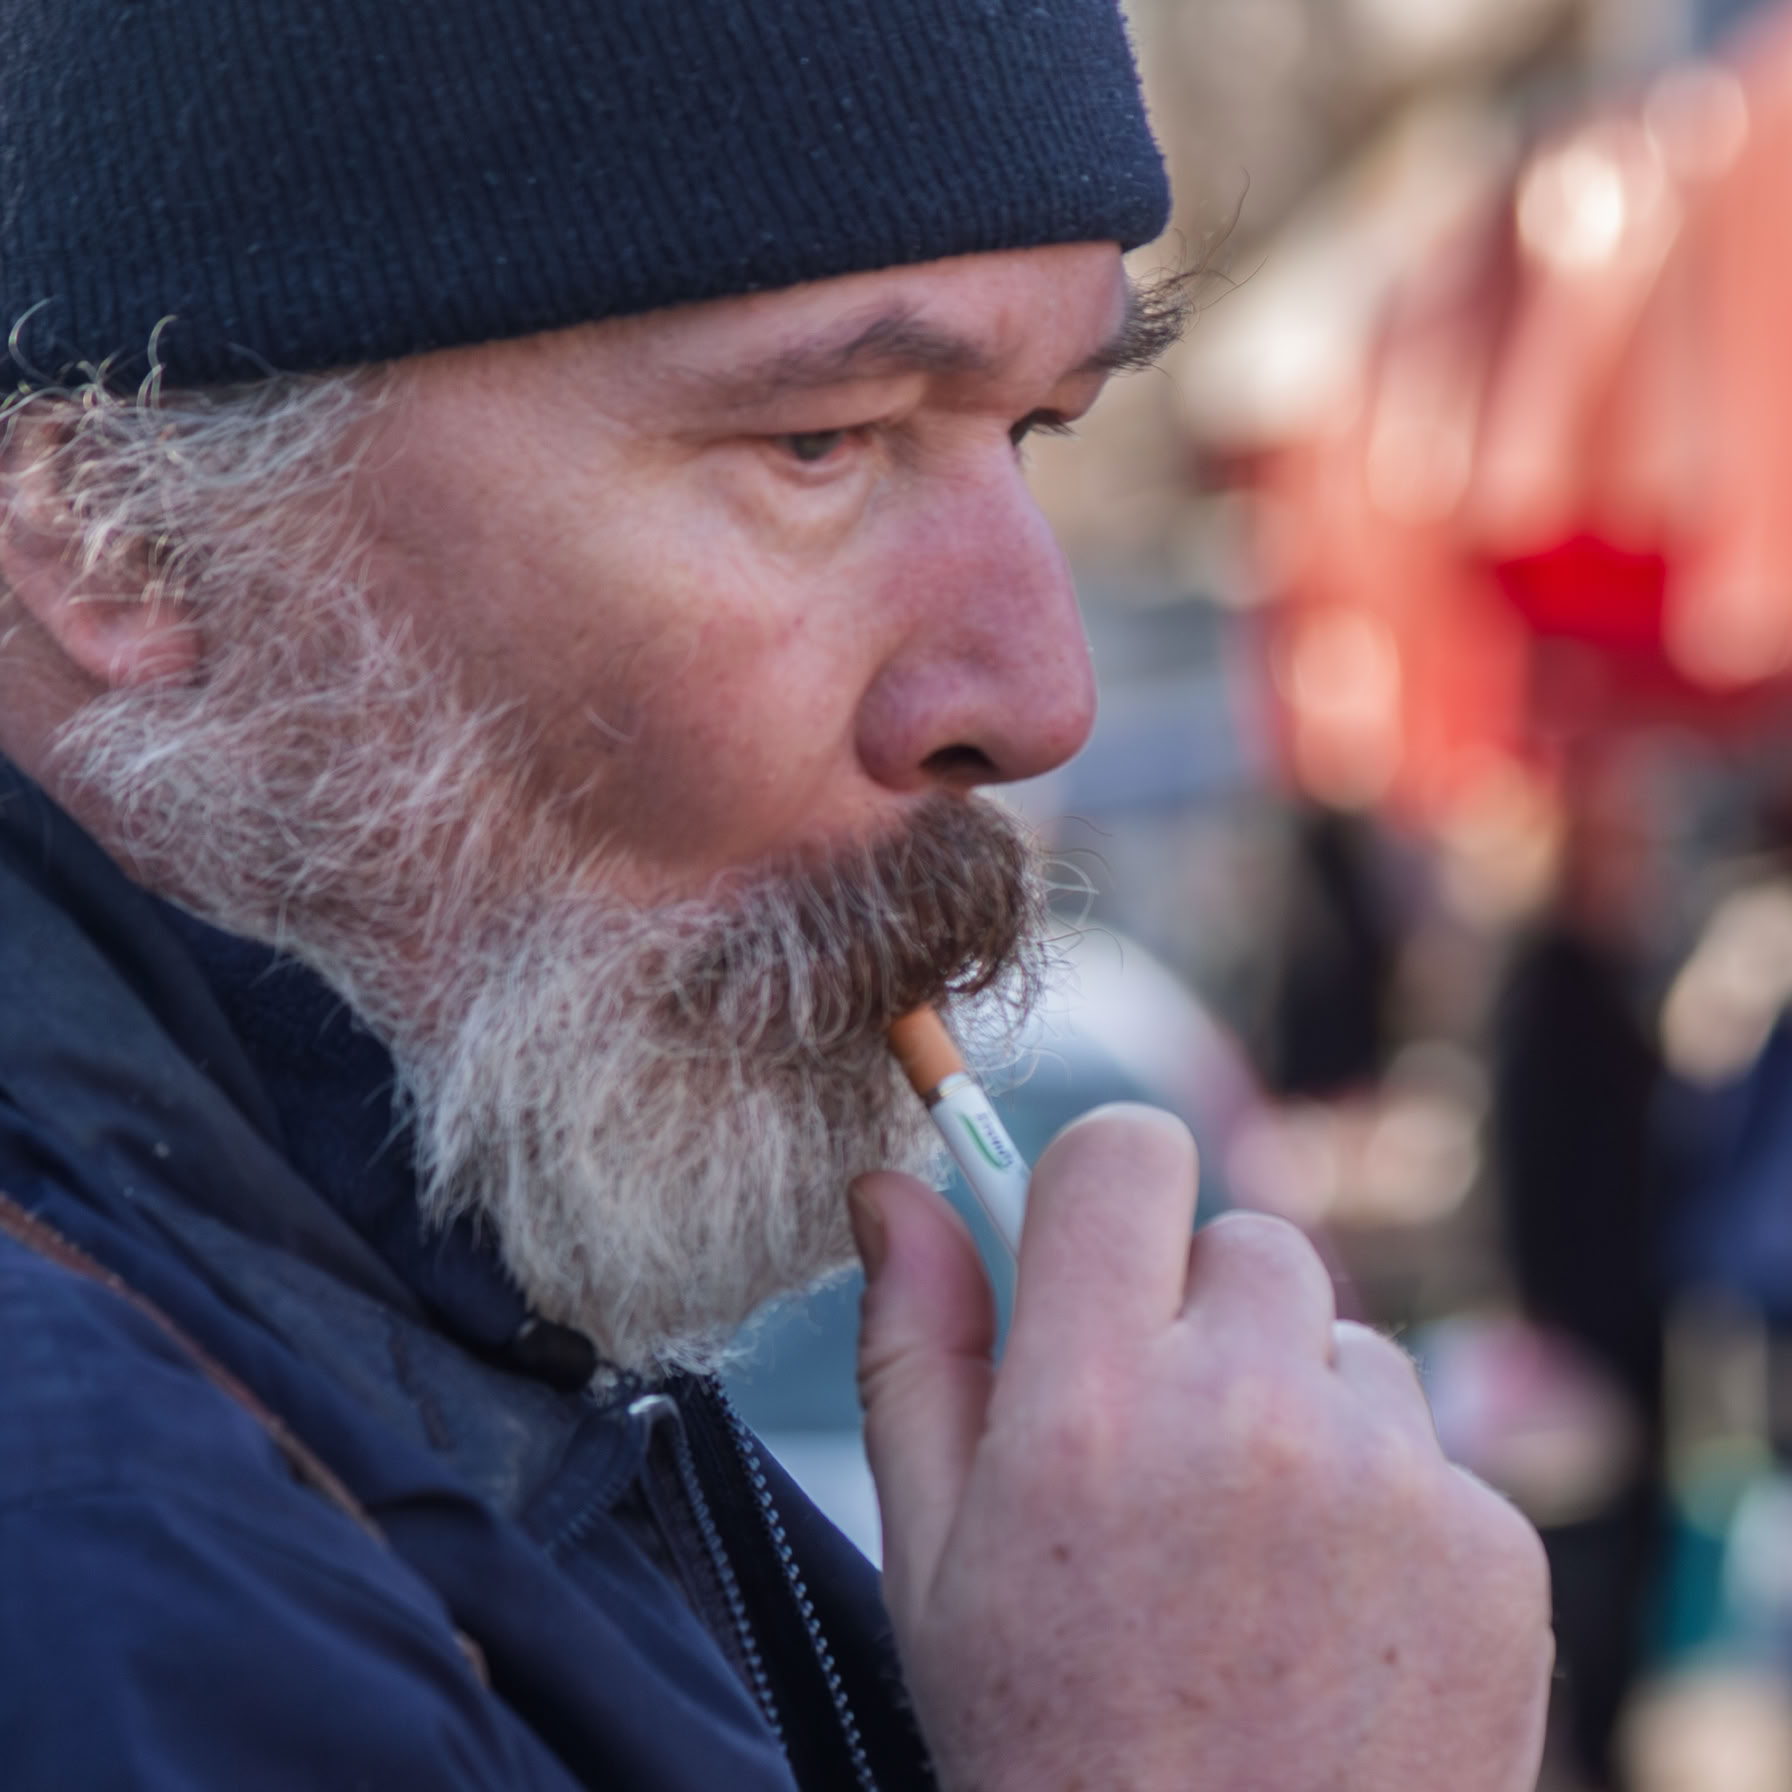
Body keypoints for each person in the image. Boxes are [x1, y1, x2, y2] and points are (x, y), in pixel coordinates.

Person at [0, 2, 1553, 1787]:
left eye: (1035, 426)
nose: (1041, 694)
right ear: (120, 529)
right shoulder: (94, 1541)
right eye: (824, 440)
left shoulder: (424, 1300)